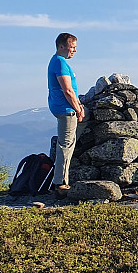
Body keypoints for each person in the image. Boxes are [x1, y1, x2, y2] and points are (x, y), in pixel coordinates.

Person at [47, 32, 85, 196]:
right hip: (66, 109)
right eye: (72, 47)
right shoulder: (60, 63)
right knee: (66, 145)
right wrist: (77, 108)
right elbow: (68, 90)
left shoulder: (56, 61)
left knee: (67, 142)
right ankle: (60, 183)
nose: (74, 50)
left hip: (63, 107)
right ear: (62, 46)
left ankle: (60, 181)